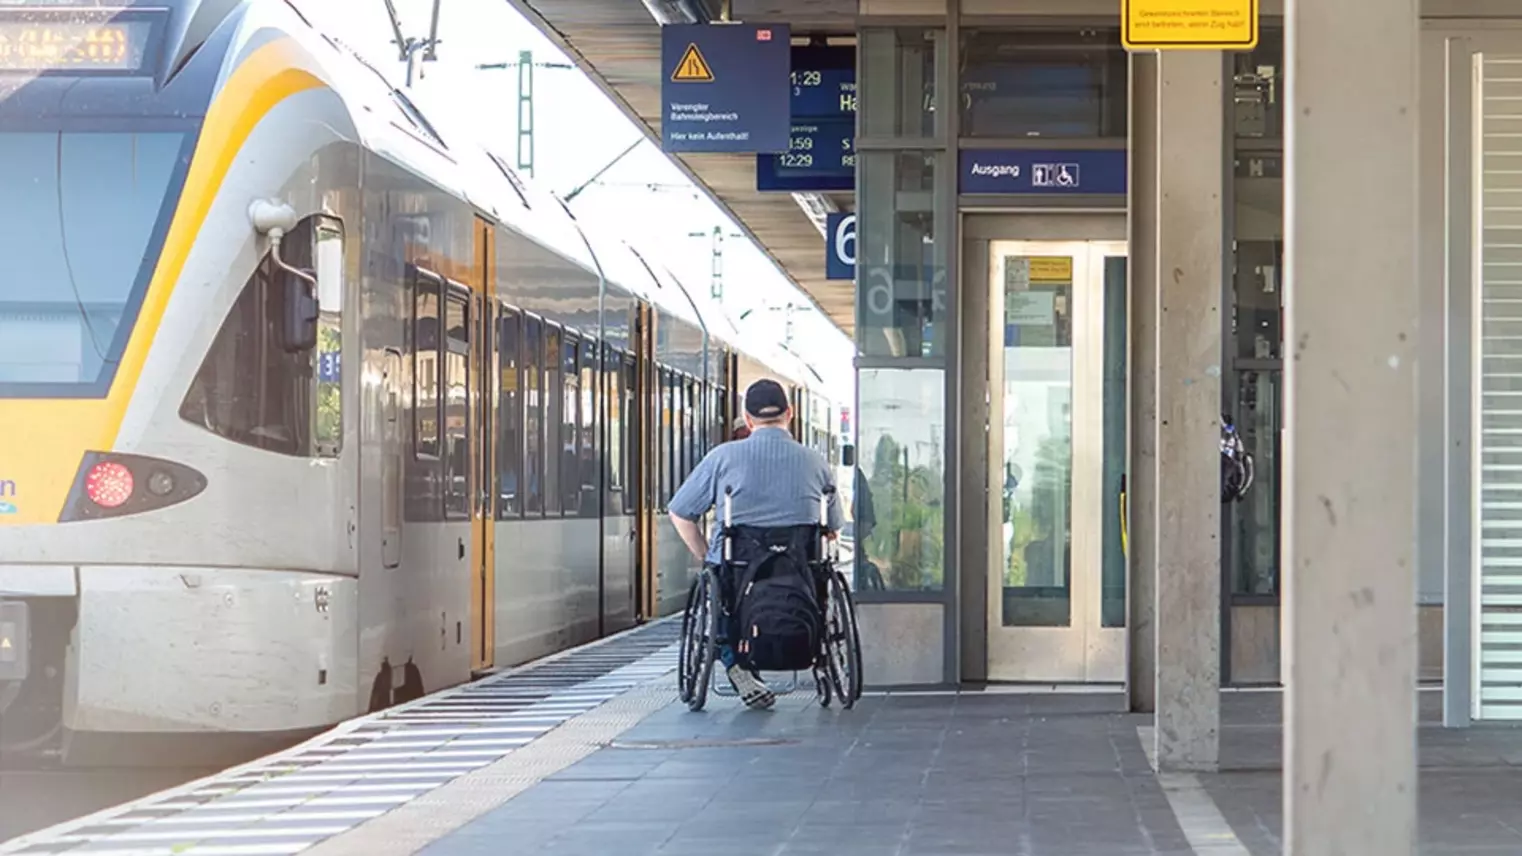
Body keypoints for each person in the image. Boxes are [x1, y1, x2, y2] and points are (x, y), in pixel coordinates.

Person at [669, 378, 844, 709]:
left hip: (737, 566)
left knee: (719, 589)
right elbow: (834, 526)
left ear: (747, 420)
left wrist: (707, 556)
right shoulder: (815, 461)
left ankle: (736, 665)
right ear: (789, 414)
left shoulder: (723, 457)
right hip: (800, 573)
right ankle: (820, 661)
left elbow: (680, 513)